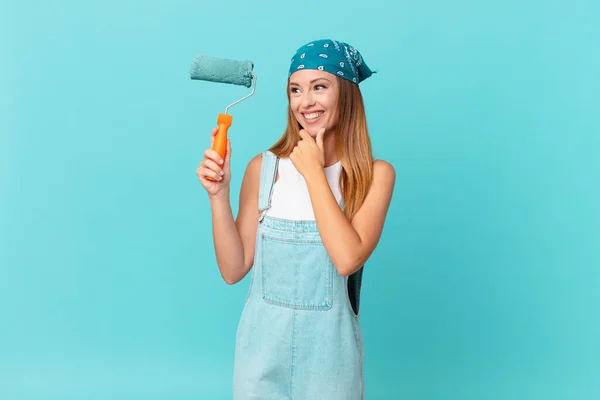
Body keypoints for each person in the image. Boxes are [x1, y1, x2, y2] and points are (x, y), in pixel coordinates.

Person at [196, 39, 396, 400]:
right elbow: (233, 268)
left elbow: (347, 258)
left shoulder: (374, 175)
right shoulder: (264, 168)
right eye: (295, 90)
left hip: (331, 364)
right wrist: (218, 196)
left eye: (320, 86)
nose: (306, 102)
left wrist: (315, 175)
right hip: (259, 359)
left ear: (346, 94)